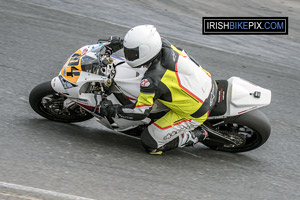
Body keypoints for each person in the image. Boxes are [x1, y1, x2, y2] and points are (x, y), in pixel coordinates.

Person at [101, 25, 217, 154]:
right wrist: (121, 43)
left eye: (133, 53)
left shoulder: (152, 79)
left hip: (195, 111)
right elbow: (143, 42)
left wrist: (113, 110)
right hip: (205, 81)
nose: (129, 55)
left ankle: (196, 135)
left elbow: (140, 111)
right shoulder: (162, 43)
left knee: (150, 143)